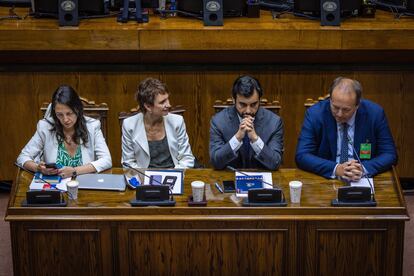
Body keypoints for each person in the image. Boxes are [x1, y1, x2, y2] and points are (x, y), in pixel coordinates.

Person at [295, 77, 397, 181]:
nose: (339, 114)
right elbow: (302, 155)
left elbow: (390, 154)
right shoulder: (315, 114)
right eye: (335, 107)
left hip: (362, 179)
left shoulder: (374, 114)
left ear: (357, 105)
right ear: (330, 99)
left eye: (346, 110)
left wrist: (363, 169)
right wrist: (336, 169)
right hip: (327, 177)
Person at [17, 85, 112, 178]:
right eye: (60, 115)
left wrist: (75, 171)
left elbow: (106, 160)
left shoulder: (92, 126)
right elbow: (22, 158)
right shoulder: (45, 127)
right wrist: (38, 168)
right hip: (55, 187)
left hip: (85, 186)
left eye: (69, 113)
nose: (65, 119)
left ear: (78, 109)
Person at [209, 75, 284, 170]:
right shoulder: (218, 122)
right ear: (233, 100)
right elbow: (216, 162)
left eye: (253, 104)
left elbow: (275, 163)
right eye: (242, 104)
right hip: (229, 179)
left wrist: (255, 139)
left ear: (259, 100)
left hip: (263, 179)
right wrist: (237, 138)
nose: (248, 110)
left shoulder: (274, 122)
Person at [121, 78, 195, 169]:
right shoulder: (129, 125)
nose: (168, 105)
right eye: (162, 102)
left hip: (174, 174)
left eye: (167, 99)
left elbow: (187, 158)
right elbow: (128, 163)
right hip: (144, 177)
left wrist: (173, 176)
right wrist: (146, 179)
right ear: (148, 106)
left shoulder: (177, 121)